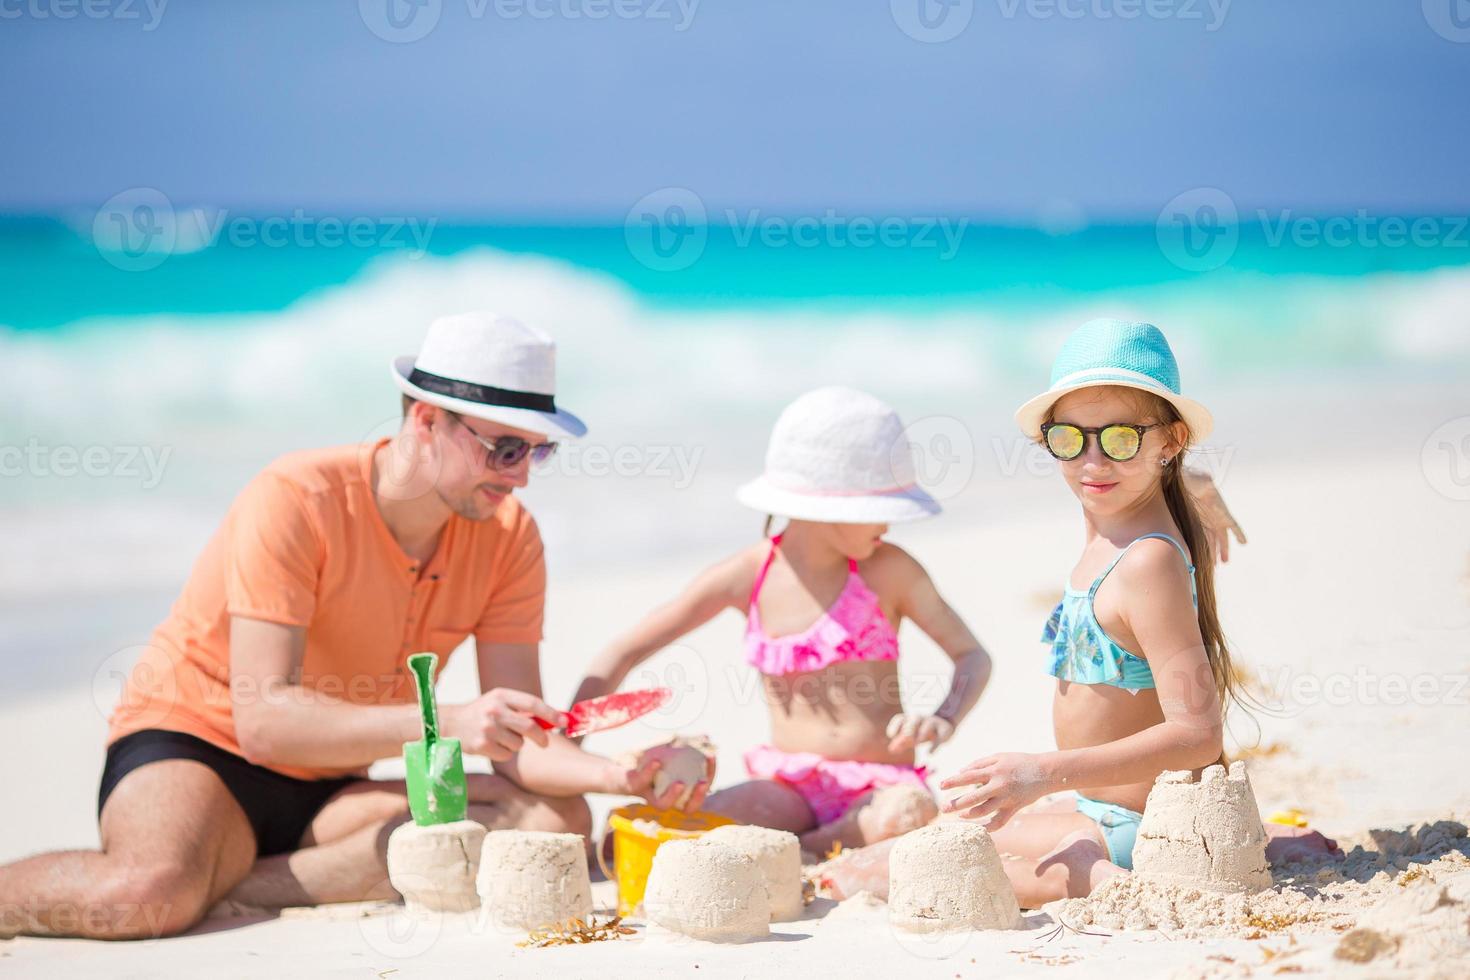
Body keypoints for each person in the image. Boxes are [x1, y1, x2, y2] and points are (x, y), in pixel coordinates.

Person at [0, 312, 705, 941]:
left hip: (333, 779)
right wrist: (448, 723)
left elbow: (521, 747)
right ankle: (180, 876)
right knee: (149, 892)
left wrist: (627, 773)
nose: (520, 478)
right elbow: (265, 723)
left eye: (537, 451)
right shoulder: (298, 498)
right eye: (505, 450)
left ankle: (231, 881)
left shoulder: (511, 538)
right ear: (427, 422)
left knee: (556, 823)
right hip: (199, 744)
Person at [820, 318, 1334, 907]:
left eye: (1120, 438)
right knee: (930, 835)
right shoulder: (1115, 515)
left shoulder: (1146, 566)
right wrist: (1194, 481)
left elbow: (1197, 735)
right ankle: (1239, 839)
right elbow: (1135, 466)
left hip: (1130, 826)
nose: (1093, 461)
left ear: (1169, 440)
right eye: (1071, 438)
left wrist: (1043, 773)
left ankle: (1089, 873)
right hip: (1100, 804)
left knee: (886, 867)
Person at [575, 387, 993, 856]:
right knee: (656, 832)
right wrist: (571, 747)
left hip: (881, 786)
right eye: (881, 510)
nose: (890, 525)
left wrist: (945, 717)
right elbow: (624, 651)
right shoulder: (748, 576)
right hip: (787, 784)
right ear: (826, 508)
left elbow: (972, 655)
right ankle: (812, 847)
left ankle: (799, 850)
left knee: (909, 812)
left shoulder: (890, 571)